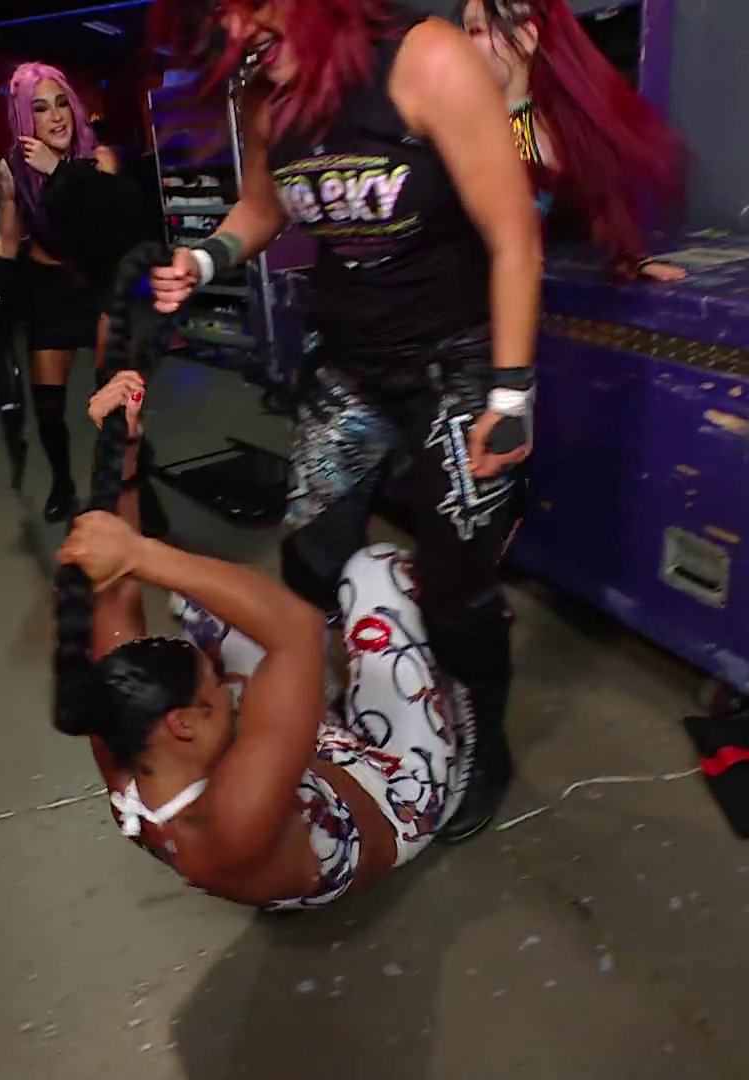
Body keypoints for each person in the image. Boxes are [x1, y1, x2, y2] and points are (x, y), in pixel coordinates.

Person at [145, 0, 540, 840]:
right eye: (222, 20)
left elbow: (514, 238)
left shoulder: (425, 60)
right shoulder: (269, 94)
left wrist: (510, 398)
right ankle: (349, 707)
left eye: (256, 10)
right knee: (311, 559)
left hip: (456, 367)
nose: (240, 36)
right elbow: (263, 207)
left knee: (458, 590)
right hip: (351, 365)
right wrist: (205, 257)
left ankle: (485, 746)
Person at [55, 372, 470, 908]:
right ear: (182, 723)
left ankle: (314, 702)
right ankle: (457, 735)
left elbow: (113, 597)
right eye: (213, 690)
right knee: (375, 572)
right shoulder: (233, 820)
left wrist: (125, 458)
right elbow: (297, 631)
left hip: (305, 768)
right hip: (393, 796)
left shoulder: (125, 741)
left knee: (204, 606)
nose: (226, 689)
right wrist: (141, 554)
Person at [457, 0, 687, 280]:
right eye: (465, 32)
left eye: (476, 31)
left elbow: (600, 204)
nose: (463, 46)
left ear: (526, 37)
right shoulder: (454, 126)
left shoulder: (555, 135)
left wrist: (628, 258)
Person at [0, 62, 118, 522]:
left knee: (116, 398)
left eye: (62, 103)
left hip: (97, 284)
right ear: (25, 117)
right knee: (47, 405)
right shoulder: (11, 171)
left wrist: (57, 168)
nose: (56, 116)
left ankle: (131, 484)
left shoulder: (99, 160)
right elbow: (6, 242)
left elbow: (107, 221)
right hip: (49, 291)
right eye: (40, 108)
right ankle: (62, 482)